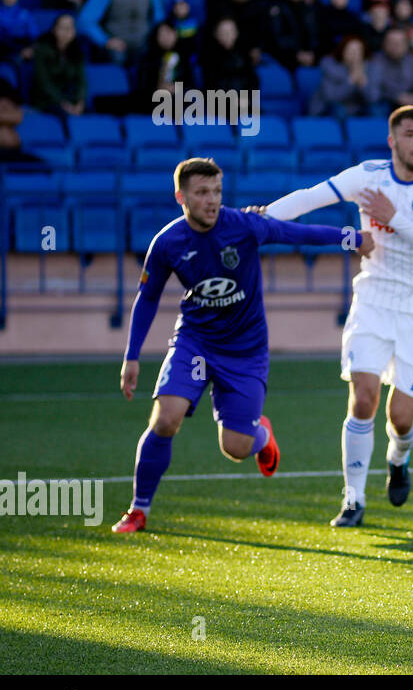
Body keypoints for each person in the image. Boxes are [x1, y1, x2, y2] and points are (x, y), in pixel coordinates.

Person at [110, 158, 373, 533]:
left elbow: (295, 234)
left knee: (235, 447)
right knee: (165, 418)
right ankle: (138, 510)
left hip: (246, 352)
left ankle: (261, 435)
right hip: (195, 343)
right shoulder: (167, 242)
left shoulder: (243, 225)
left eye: (217, 191)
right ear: (180, 196)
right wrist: (131, 357)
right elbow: (148, 297)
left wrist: (351, 238)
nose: (212, 200)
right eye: (202, 193)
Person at [261, 107, 413, 525]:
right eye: (410, 134)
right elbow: (309, 197)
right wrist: (261, 218)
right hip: (373, 298)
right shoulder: (369, 175)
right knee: (364, 397)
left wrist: (394, 219)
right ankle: (353, 500)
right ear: (392, 141)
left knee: (401, 417)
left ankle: (398, 458)